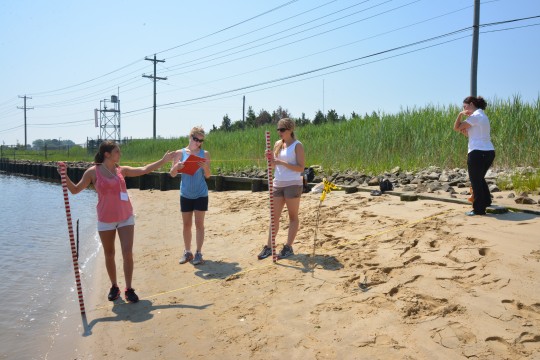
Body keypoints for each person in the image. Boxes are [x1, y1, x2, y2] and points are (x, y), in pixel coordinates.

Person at [60, 141, 174, 303]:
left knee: (127, 253)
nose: (120, 153)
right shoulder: (93, 172)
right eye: (117, 151)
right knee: (109, 254)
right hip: (105, 219)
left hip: (125, 217)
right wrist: (63, 175)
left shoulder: (122, 170)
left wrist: (163, 161)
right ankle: (114, 286)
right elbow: (75, 190)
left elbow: (144, 169)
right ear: (107, 154)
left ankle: (129, 288)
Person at [258, 118, 305, 260]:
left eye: (282, 129)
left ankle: (288, 247)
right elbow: (273, 166)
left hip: (293, 183)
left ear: (290, 130)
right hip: (277, 183)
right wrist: (270, 159)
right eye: (278, 129)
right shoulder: (278, 144)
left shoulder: (297, 145)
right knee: (274, 217)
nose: (279, 132)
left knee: (292, 217)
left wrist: (281, 162)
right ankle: (269, 246)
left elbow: (301, 168)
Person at [169, 127, 211, 265]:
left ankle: (199, 253)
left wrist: (205, 167)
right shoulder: (179, 153)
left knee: (199, 224)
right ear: (190, 137)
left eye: (200, 140)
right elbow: (172, 174)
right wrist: (177, 167)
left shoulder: (205, 154)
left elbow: (208, 175)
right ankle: (187, 252)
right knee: (186, 225)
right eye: (195, 139)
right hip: (185, 193)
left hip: (200, 193)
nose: (198, 143)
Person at [453, 96, 495, 216]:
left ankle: (479, 209)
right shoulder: (481, 116)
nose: (464, 109)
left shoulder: (475, 116)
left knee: (475, 181)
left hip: (477, 152)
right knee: (479, 178)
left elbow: (456, 127)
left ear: (471, 104)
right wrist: (467, 133)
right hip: (489, 152)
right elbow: (474, 135)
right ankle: (486, 201)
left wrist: (460, 115)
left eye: (464, 107)